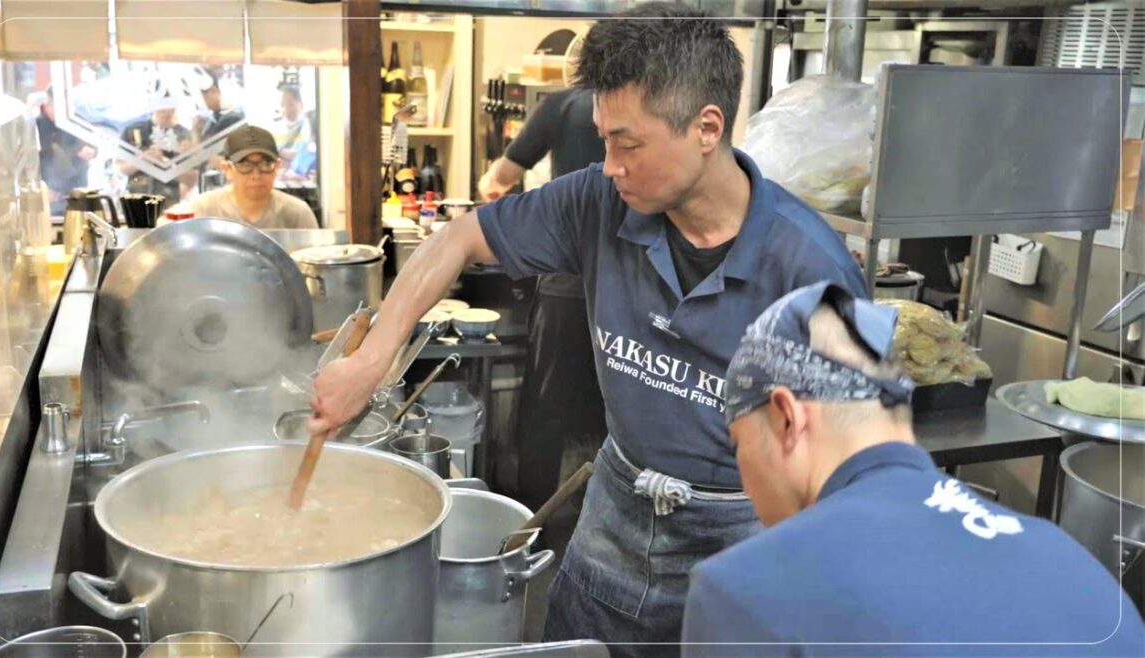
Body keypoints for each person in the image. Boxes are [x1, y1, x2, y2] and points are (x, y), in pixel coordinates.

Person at [308, 5, 865, 656]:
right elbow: (459, 238)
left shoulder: (812, 270)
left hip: (740, 539)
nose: (609, 165)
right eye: (604, 141)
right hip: (615, 515)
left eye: (628, 144)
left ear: (706, 128)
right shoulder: (598, 202)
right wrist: (371, 359)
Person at [682, 281, 1145, 657]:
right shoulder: (1079, 572)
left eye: (739, 445)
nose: (747, 483)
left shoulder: (747, 590)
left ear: (787, 418)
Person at [478, 86, 608, 516]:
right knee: (614, 412)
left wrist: (489, 187)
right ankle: (599, 514)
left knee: (545, 412)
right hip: (626, 280)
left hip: (567, 283)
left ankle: (530, 519)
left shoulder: (563, 104)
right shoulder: (644, 101)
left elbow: (501, 178)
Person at [165, 125, 317, 229]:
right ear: (227, 169)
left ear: (277, 167)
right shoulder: (204, 210)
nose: (256, 175)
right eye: (245, 165)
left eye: (265, 164)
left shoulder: (297, 214)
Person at [118, 86, 197, 205]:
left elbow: (192, 179)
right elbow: (121, 167)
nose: (167, 111)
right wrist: (141, 161)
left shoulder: (184, 136)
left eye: (171, 107)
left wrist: (164, 162)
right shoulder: (133, 131)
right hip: (136, 200)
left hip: (169, 200)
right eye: (162, 108)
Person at [36, 86, 97, 215]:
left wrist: (91, 150)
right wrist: (42, 189)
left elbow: (93, 144)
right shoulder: (37, 125)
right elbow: (29, 162)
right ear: (47, 104)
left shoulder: (76, 121)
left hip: (77, 191)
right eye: (57, 105)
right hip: (47, 195)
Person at [272, 84, 314, 180]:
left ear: (300, 104)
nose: (286, 109)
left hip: (301, 180)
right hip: (280, 179)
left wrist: (279, 152)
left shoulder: (309, 126)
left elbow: (304, 156)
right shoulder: (275, 128)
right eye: (283, 105)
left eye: (290, 104)